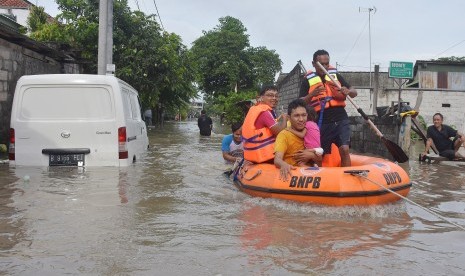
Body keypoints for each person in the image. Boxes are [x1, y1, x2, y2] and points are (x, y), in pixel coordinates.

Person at [301, 49, 357, 167]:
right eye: (321, 64)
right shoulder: (307, 80)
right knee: (320, 153)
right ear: (313, 64)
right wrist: (312, 94)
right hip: (321, 121)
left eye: (327, 63)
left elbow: (354, 92)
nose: (325, 66)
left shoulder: (335, 76)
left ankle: (347, 180)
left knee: (345, 149)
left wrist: (348, 91)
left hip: (340, 118)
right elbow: (299, 102)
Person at [274, 99, 321, 181]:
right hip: (293, 177)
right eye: (297, 116)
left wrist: (312, 156)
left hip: (312, 176)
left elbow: (319, 161)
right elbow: (277, 159)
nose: (301, 119)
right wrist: (283, 165)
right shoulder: (284, 135)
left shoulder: (310, 132)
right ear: (289, 118)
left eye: (304, 115)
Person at [242, 85, 288, 163]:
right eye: (270, 95)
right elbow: (280, 132)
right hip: (265, 157)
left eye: (276, 96)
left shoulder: (254, 109)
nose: (274, 98)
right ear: (261, 97)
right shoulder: (264, 112)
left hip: (253, 155)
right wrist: (285, 119)